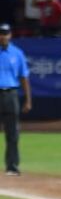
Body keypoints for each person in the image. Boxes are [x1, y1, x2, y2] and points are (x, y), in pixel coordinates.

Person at [0, 23, 32, 176]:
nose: (3, 36)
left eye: (5, 33)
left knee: (13, 132)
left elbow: (24, 77)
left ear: (10, 35)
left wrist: (28, 100)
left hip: (11, 93)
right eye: (1, 33)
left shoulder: (17, 53)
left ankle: (12, 165)